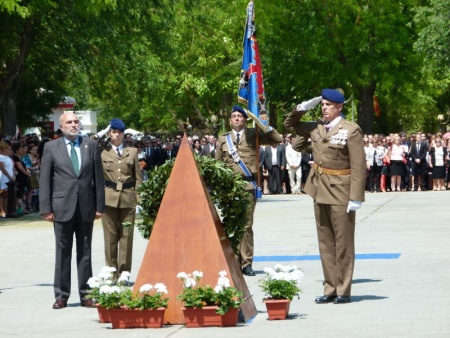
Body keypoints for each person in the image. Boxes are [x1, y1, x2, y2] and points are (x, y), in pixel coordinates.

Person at [284, 89, 366, 304]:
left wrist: (356, 196)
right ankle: (330, 288)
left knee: (343, 242)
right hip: (319, 189)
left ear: (339, 107)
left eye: (329, 104)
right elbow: (289, 125)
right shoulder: (316, 127)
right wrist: (303, 107)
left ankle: (343, 290)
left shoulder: (351, 130)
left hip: (341, 190)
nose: (324, 107)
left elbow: (358, 165)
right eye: (323, 104)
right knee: (325, 243)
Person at [39, 112, 105, 309]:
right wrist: (46, 209)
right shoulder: (51, 147)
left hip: (86, 207)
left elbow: (98, 179)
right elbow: (45, 180)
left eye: (76, 121)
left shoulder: (91, 145)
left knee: (85, 252)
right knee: (63, 252)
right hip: (61, 208)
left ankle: (86, 295)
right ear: (61, 126)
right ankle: (61, 295)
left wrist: (99, 206)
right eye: (69, 122)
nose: (74, 125)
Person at [216, 105, 282, 276]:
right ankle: (233, 261)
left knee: (246, 225)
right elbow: (217, 164)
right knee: (231, 224)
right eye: (234, 116)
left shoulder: (254, 135)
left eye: (240, 116)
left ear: (245, 120)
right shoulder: (223, 140)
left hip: (247, 186)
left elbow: (276, 139)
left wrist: (265, 125)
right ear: (230, 120)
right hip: (229, 187)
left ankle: (246, 263)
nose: (237, 118)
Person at [100, 118, 142, 281]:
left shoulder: (132, 151)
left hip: (127, 197)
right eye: (113, 132)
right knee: (110, 237)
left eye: (119, 132)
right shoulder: (102, 151)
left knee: (126, 236)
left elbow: (137, 177)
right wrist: (100, 134)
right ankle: (111, 272)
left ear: (124, 134)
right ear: (109, 133)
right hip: (108, 197)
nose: (116, 135)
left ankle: (124, 272)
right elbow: (88, 143)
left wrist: (138, 198)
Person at [0, 142, 14, 217]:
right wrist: (9, 177)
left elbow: (11, 167)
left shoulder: (8, 157)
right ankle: (2, 210)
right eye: (6, 148)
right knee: (2, 194)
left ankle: (6, 209)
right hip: (3, 178)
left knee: (6, 195)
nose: (8, 150)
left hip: (9, 178)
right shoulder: (0, 157)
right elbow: (2, 168)